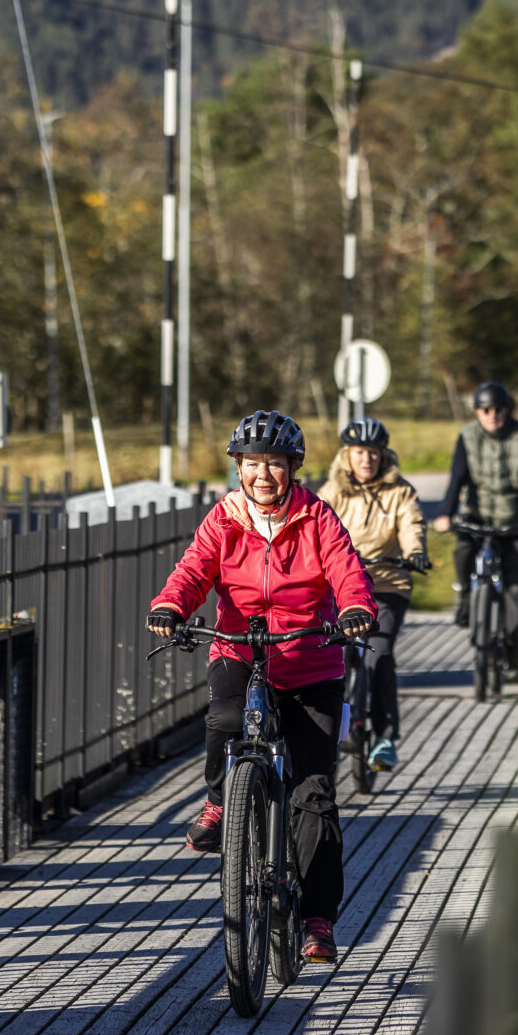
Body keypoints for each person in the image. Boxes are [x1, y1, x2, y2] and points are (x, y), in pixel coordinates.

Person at [147, 411, 375, 966]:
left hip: (309, 659)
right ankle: (219, 800)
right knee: (224, 718)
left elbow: (347, 570)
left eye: (273, 463)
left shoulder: (317, 516)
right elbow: (195, 569)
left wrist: (353, 608)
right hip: (239, 648)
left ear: (293, 467)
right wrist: (172, 604)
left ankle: (317, 921)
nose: (262, 474)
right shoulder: (224, 518)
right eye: (252, 464)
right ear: (239, 470)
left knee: (313, 794)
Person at [317, 417, 431, 771]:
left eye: (374, 453)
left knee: (377, 654)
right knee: (330, 658)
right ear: (346, 456)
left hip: (386, 584)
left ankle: (384, 736)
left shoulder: (399, 491)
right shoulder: (331, 492)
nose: (367, 460)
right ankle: (324, 730)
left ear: (384, 455)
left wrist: (414, 551)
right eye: (359, 453)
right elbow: (312, 527)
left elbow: (411, 522)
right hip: (340, 588)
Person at [430, 380, 518, 680]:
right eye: (485, 410)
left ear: (507, 410)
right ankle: (465, 594)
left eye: (498, 409)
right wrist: (445, 514)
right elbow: (456, 477)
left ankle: (515, 656)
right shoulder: (467, 436)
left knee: (516, 592)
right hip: (476, 515)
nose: (492, 415)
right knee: (463, 549)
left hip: (513, 519)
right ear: (477, 412)